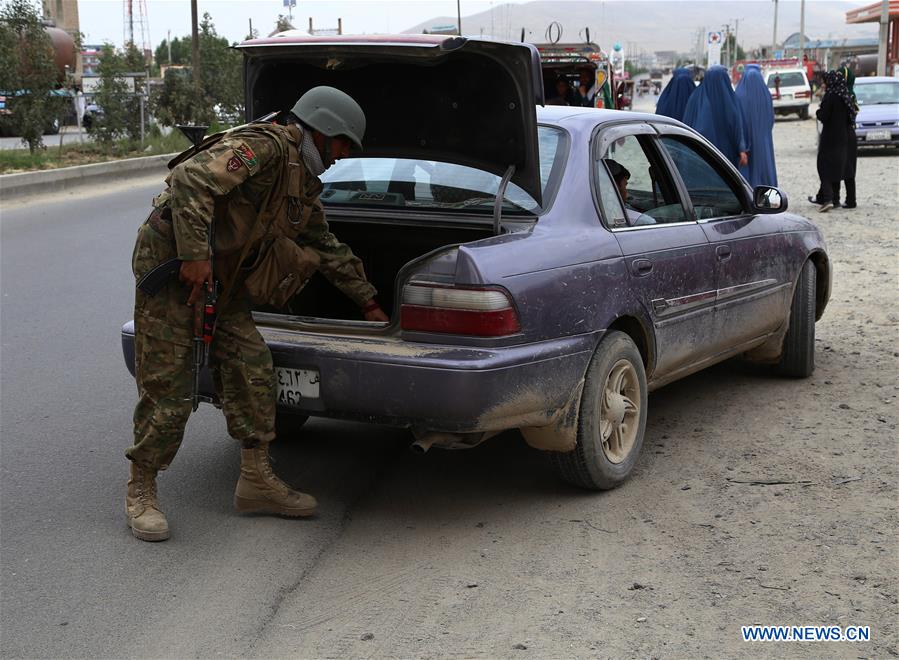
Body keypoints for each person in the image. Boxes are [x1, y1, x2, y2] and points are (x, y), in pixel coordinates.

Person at [126, 86, 388, 542]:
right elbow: (191, 178)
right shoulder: (264, 147)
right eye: (344, 144)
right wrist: (194, 256)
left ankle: (255, 481)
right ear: (323, 132)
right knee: (170, 386)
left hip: (221, 283)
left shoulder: (301, 183)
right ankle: (141, 489)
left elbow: (325, 245)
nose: (343, 156)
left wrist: (367, 301)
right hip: (175, 274)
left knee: (253, 368)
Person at [808, 70, 856, 212]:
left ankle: (828, 199)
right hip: (844, 137)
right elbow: (852, 116)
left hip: (830, 137)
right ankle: (835, 200)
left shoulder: (831, 96)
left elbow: (823, 116)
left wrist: (818, 111)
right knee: (838, 168)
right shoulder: (846, 96)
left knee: (824, 166)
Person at [682, 65, 748, 169]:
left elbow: (687, 126)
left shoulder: (695, 98)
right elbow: (737, 126)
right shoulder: (730, 100)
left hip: (701, 156)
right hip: (726, 156)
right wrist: (741, 149)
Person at [735, 63, 778, 188]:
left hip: (746, 142)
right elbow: (771, 119)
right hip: (763, 141)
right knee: (765, 169)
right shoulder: (766, 95)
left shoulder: (739, 95)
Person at [836, 63, 858, 209]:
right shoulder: (852, 95)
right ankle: (851, 200)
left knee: (837, 166)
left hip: (840, 134)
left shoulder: (839, 94)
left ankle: (835, 198)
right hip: (851, 134)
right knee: (849, 168)